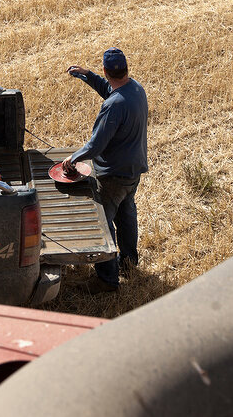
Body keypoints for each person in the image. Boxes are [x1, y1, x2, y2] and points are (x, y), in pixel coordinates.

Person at [62, 47, 148, 293]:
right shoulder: (136, 89)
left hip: (112, 176)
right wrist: (87, 75)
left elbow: (96, 144)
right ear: (126, 69)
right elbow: (110, 90)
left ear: (106, 70)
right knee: (127, 214)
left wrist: (73, 158)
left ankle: (107, 280)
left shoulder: (113, 106)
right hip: (133, 171)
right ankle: (129, 263)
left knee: (104, 223)